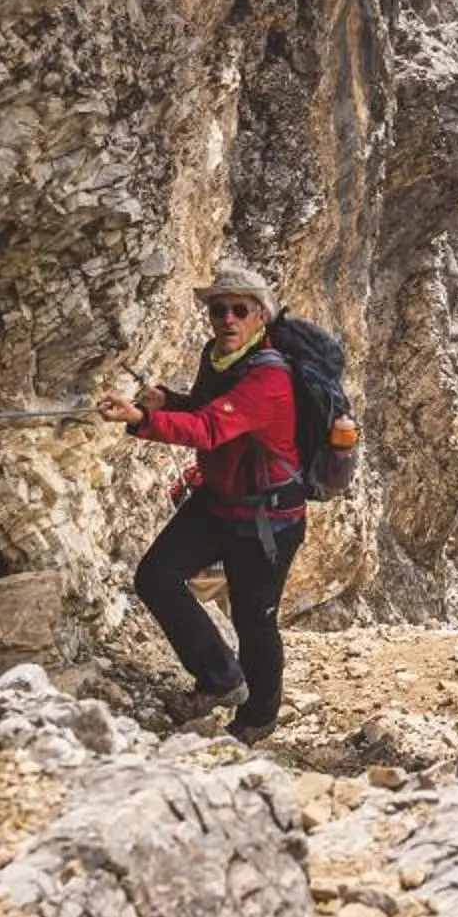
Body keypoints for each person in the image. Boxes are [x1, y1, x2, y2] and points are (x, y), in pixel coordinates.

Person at [96, 266, 305, 737]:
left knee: (254, 622)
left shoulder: (269, 377)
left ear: (260, 317)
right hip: (221, 500)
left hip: (268, 518)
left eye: (240, 310)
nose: (227, 318)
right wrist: (166, 401)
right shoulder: (219, 358)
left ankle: (257, 719)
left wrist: (139, 420)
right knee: (156, 577)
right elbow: (206, 410)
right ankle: (221, 677)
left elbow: (211, 429)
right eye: (218, 309)